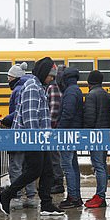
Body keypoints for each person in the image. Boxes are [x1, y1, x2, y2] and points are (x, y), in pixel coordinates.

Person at [0, 57, 64, 216]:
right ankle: (5, 194)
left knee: (47, 171)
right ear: (42, 73)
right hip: (34, 139)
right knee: (34, 171)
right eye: (50, 75)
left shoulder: (39, 86)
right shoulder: (33, 88)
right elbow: (30, 117)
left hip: (41, 138)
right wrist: (37, 139)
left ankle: (46, 204)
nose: (52, 79)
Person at [0, 63, 37, 208]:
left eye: (9, 77)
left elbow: (17, 112)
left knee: (15, 166)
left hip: (18, 133)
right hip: (28, 134)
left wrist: (5, 120)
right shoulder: (28, 87)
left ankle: (16, 196)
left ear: (15, 78)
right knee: (28, 166)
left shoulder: (18, 90)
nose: (8, 80)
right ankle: (31, 195)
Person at [83, 70, 110, 208]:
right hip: (105, 134)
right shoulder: (107, 95)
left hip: (95, 135)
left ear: (90, 82)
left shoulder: (91, 95)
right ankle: (102, 194)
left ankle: (100, 195)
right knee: (102, 165)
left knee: (98, 166)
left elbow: (89, 118)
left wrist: (86, 134)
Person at [57, 66, 84, 209]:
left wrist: (59, 130)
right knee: (73, 165)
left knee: (67, 165)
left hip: (68, 133)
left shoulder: (70, 92)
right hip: (74, 132)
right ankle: (76, 196)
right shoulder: (75, 90)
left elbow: (67, 113)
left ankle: (73, 197)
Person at [46, 65, 64, 195]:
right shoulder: (62, 88)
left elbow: (53, 109)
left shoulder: (52, 87)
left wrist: (49, 126)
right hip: (59, 126)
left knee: (54, 157)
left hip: (52, 128)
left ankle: (57, 182)